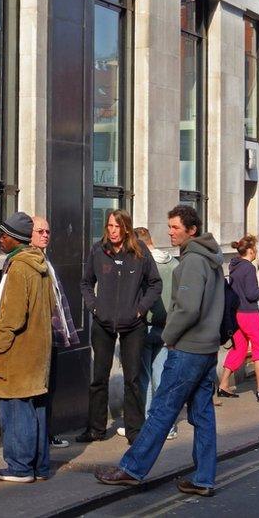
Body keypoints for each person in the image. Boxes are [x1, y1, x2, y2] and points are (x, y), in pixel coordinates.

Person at [95, 205, 223, 497]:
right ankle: (204, 479)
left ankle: (132, 469)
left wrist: (169, 336)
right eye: (169, 226)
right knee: (203, 416)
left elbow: (188, 308)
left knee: (161, 411)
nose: (170, 232)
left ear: (191, 230)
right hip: (207, 351)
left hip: (188, 350)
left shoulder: (193, 261)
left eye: (176, 227)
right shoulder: (212, 260)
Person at [77, 210, 162, 444]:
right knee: (99, 378)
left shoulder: (140, 252)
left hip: (133, 324)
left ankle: (134, 430)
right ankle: (96, 429)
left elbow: (155, 284)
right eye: (109, 226)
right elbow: (86, 283)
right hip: (103, 323)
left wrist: (140, 309)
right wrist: (94, 307)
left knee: (132, 379)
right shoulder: (98, 250)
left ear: (126, 228)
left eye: (117, 226)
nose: (112, 231)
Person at [0, 212, 54, 483]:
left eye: (3, 236)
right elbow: (48, 305)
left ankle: (19, 467)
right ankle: (39, 466)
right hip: (38, 348)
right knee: (35, 406)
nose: (0, 240)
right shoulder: (41, 264)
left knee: (15, 409)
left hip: (17, 351)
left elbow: (13, 318)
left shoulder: (18, 267)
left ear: (14, 239)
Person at [31, 216, 80, 450]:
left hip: (53, 334)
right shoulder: (25, 262)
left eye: (48, 231)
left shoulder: (45, 260)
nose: (45, 235)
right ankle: (39, 439)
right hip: (38, 337)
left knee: (50, 388)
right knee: (39, 390)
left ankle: (46, 435)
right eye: (40, 231)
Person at [129, 227, 180, 440]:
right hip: (168, 327)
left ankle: (150, 424)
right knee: (162, 377)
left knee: (144, 378)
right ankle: (167, 426)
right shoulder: (175, 264)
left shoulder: (142, 265)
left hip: (145, 326)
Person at [218, 235, 259, 401]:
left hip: (236, 314)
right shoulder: (249, 268)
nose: (256, 253)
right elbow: (252, 294)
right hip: (250, 313)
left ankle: (223, 384)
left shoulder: (234, 266)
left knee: (239, 348)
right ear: (251, 250)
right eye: (255, 250)